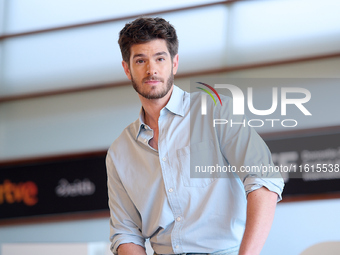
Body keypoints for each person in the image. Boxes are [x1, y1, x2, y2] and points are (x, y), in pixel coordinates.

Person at [106, 17, 284, 255]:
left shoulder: (215, 110)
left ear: (175, 63)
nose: (152, 69)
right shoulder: (119, 152)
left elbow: (263, 181)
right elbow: (125, 232)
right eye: (140, 60)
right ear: (127, 69)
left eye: (160, 58)